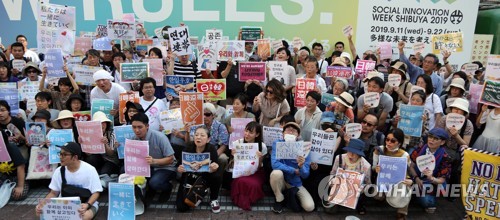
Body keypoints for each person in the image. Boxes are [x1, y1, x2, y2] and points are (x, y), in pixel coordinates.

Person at [35, 142, 103, 220]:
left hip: (86, 203)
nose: (60, 157)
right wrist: (43, 205)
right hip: (65, 206)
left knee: (84, 217)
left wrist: (87, 205)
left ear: (75, 157)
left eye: (64, 155)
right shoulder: (59, 171)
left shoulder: (90, 170)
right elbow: (53, 193)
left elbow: (96, 192)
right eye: (60, 154)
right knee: (40, 212)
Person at [130, 112, 176, 204]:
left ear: (147, 126)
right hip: (146, 168)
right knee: (124, 171)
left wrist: (154, 161)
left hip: (165, 167)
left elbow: (170, 159)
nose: (137, 130)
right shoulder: (134, 139)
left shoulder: (160, 137)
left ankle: (167, 188)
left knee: (155, 183)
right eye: (134, 127)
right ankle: (147, 190)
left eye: (140, 127)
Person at [270, 122, 314, 213]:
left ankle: (289, 197)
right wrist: (293, 170)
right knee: (276, 173)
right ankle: (279, 199)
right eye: (287, 130)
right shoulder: (277, 143)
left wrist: (301, 167)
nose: (290, 132)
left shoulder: (304, 148)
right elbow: (274, 164)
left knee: (309, 207)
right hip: (281, 180)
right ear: (282, 134)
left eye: (293, 131)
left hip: (295, 183)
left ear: (298, 135)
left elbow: (305, 175)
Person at [176, 126, 221, 213]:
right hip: (190, 177)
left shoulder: (211, 149)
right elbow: (180, 165)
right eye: (196, 135)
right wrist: (180, 169)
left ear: (208, 139)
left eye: (202, 135)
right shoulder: (188, 147)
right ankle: (196, 193)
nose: (198, 137)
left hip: (205, 177)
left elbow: (214, 166)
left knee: (217, 175)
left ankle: (213, 199)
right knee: (181, 207)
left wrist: (214, 167)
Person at [372, 128, 413, 220]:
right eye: (387, 139)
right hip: (384, 180)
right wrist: (376, 169)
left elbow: (405, 173)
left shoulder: (404, 155)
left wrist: (410, 181)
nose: (388, 142)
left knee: (406, 187)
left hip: (397, 182)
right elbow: (373, 167)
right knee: (377, 196)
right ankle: (385, 197)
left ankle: (401, 212)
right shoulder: (379, 150)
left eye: (393, 141)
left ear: (399, 143)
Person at [409, 128, 452, 213]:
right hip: (417, 178)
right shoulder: (421, 148)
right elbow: (411, 166)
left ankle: (426, 197)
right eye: (430, 137)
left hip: (432, 183)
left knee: (427, 201)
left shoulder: (445, 157)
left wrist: (431, 178)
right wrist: (416, 178)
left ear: (442, 142)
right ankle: (415, 194)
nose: (431, 140)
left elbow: (442, 180)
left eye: (435, 139)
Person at [327, 139, 371, 215]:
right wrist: (332, 182)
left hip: (354, 192)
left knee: (355, 207)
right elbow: (332, 173)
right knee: (330, 211)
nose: (351, 154)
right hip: (339, 189)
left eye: (355, 153)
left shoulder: (366, 166)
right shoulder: (339, 158)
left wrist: (361, 189)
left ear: (359, 154)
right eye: (349, 151)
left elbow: (368, 184)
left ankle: (359, 204)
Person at [230, 122, 268, 210]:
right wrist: (233, 155)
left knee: (253, 184)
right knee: (240, 181)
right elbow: (234, 164)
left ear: (257, 134)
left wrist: (259, 158)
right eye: (246, 131)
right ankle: (241, 199)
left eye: (251, 132)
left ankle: (250, 199)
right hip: (241, 170)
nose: (247, 134)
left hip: (255, 171)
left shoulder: (262, 146)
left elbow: (259, 167)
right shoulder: (237, 143)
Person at [187, 103, 229, 178]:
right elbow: (189, 142)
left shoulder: (220, 126)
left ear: (213, 115)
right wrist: (187, 132)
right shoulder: (196, 125)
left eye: (207, 114)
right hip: (197, 151)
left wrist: (213, 156)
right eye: (202, 114)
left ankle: (219, 179)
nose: (204, 117)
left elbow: (224, 144)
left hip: (214, 152)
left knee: (223, 158)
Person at [81, 111, 119, 176]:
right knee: (91, 159)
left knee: (104, 173)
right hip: (98, 159)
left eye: (104, 123)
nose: (102, 125)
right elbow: (88, 154)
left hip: (110, 160)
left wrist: (105, 144)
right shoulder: (90, 134)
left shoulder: (112, 134)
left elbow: (111, 153)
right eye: (99, 123)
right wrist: (83, 142)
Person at [0, 130, 28, 201]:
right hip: (4, 177)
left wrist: (20, 186)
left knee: (18, 195)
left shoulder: (11, 148)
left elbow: (21, 167)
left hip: (17, 176)